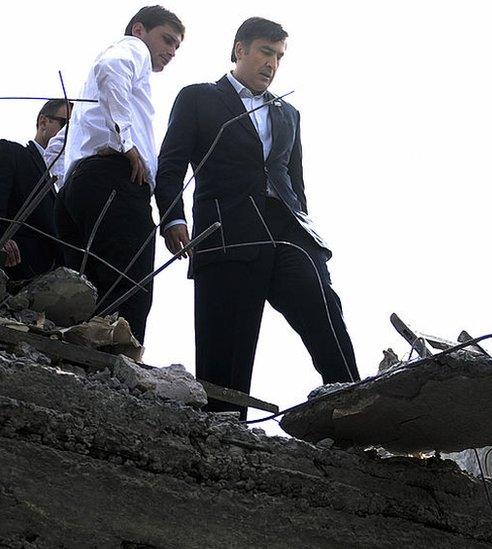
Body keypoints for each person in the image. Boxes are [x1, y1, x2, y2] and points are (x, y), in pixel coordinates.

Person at [156, 17, 360, 419]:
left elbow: (293, 181)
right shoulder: (198, 97)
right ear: (239, 51)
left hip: (288, 232)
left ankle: (354, 410)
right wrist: (172, 218)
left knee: (324, 313)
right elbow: (171, 163)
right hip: (227, 232)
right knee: (226, 351)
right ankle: (223, 435)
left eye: (279, 57)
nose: (272, 63)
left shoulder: (289, 114)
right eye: (266, 52)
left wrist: (304, 224)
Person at [56, 5, 184, 342]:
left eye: (177, 47)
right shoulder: (132, 49)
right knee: (129, 290)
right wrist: (127, 141)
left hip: (82, 187)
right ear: (139, 30)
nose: (171, 52)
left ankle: (83, 373)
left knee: (90, 293)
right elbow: (112, 69)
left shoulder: (97, 98)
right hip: (113, 181)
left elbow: (64, 143)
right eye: (167, 40)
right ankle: (118, 378)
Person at [0, 99, 71, 280]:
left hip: (51, 290)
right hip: (13, 273)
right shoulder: (12, 153)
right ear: (43, 122)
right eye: (65, 124)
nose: (70, 133)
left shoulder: (69, 182)